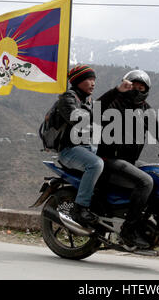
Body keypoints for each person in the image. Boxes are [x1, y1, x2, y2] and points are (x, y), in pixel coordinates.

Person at [96, 69, 159, 248]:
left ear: (146, 90)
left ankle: (147, 223)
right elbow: (95, 109)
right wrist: (116, 91)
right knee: (146, 182)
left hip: (128, 161)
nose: (136, 90)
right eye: (132, 86)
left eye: (140, 87)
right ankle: (128, 230)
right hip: (109, 159)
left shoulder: (145, 109)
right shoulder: (114, 103)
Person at [57, 65, 104, 225]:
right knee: (95, 164)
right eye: (89, 79)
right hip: (70, 150)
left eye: (94, 79)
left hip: (88, 147)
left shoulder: (89, 100)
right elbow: (76, 119)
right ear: (78, 81)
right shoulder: (67, 99)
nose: (93, 83)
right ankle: (81, 208)